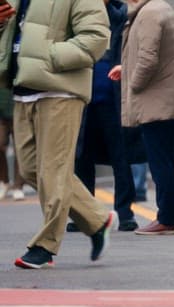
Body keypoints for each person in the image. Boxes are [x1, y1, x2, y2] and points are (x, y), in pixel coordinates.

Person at [0, 0, 114, 269]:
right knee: (30, 170)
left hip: (60, 90)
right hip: (23, 88)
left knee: (53, 170)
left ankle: (45, 246)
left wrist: (51, 55)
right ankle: (97, 220)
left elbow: (96, 37)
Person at [110, 0, 174, 235]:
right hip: (162, 98)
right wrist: (126, 68)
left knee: (161, 161)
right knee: (167, 160)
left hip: (155, 100)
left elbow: (148, 58)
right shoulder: (157, 9)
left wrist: (132, 85)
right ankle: (171, 217)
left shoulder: (150, 13)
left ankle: (167, 219)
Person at [68, 0, 138, 233]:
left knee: (121, 157)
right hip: (83, 98)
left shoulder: (119, 13)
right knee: (82, 158)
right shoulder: (78, 12)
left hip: (113, 100)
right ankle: (85, 215)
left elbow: (122, 20)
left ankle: (125, 213)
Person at [0, 88, 24, 201]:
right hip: (1, 111)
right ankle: (4, 182)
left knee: (19, 149)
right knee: (0, 145)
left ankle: (18, 186)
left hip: (18, 107)